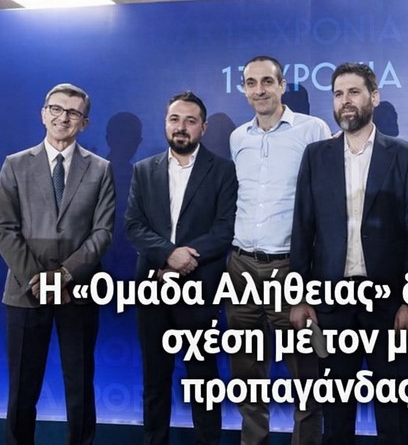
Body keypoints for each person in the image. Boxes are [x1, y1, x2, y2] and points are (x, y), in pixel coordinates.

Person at [289, 62, 408, 445]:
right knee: (336, 413)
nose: (345, 101)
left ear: (373, 97)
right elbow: (303, 229)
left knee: (394, 411)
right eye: (338, 94)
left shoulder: (404, 154)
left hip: (389, 304)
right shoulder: (316, 155)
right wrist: (298, 296)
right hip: (332, 304)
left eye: (354, 92)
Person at [0, 83, 115, 445]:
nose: (63, 117)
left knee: (79, 383)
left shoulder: (101, 169)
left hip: (78, 290)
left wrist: (64, 275)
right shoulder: (15, 164)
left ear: (84, 122)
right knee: (22, 386)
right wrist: (38, 279)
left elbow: (103, 232)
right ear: (43, 114)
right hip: (25, 291)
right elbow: (5, 228)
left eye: (73, 112)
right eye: (56, 109)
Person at [225, 55, 330, 445]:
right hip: (241, 268)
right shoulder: (238, 137)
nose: (260, 90)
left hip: (290, 268)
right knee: (246, 373)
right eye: (251, 83)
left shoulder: (312, 130)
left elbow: (326, 202)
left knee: (305, 375)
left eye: (267, 82)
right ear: (244, 89)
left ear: (282, 85)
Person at [125, 91, 237, 445]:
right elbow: (134, 225)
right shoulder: (144, 170)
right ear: (165, 124)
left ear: (203, 128)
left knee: (203, 382)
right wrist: (168, 255)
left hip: (199, 289)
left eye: (190, 121)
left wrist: (183, 261)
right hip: (153, 288)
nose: (181, 127)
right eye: (175, 119)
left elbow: (225, 229)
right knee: (154, 380)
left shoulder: (223, 171)